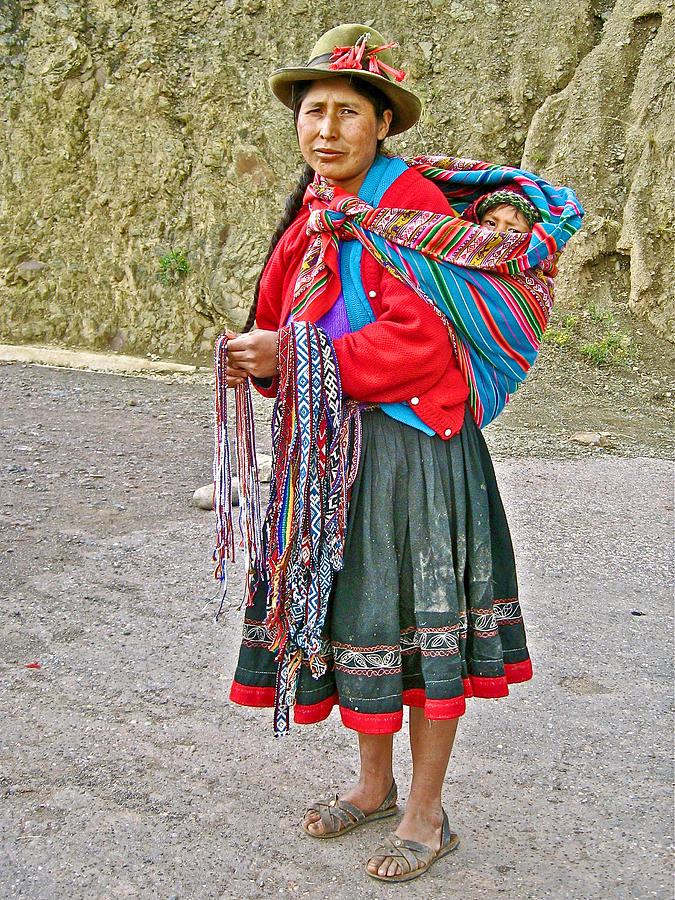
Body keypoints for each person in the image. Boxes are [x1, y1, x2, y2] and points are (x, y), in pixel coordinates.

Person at [224, 24, 533, 883]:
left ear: (381, 124)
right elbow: (286, 314)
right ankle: (372, 789)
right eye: (312, 112)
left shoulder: (409, 215)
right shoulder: (314, 215)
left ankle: (427, 816)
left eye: (345, 114)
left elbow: (420, 343)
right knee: (362, 618)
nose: (325, 129)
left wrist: (290, 357)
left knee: (426, 626)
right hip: (335, 449)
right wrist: (266, 354)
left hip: (413, 447)